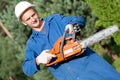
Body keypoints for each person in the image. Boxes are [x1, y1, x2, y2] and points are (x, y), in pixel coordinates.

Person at [14, 1, 120, 80]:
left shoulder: (55, 20)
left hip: (91, 66)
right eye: (28, 19)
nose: (33, 19)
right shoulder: (32, 43)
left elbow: (80, 19)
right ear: (24, 23)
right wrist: (38, 60)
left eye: (33, 15)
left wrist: (73, 25)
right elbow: (26, 69)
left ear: (36, 12)